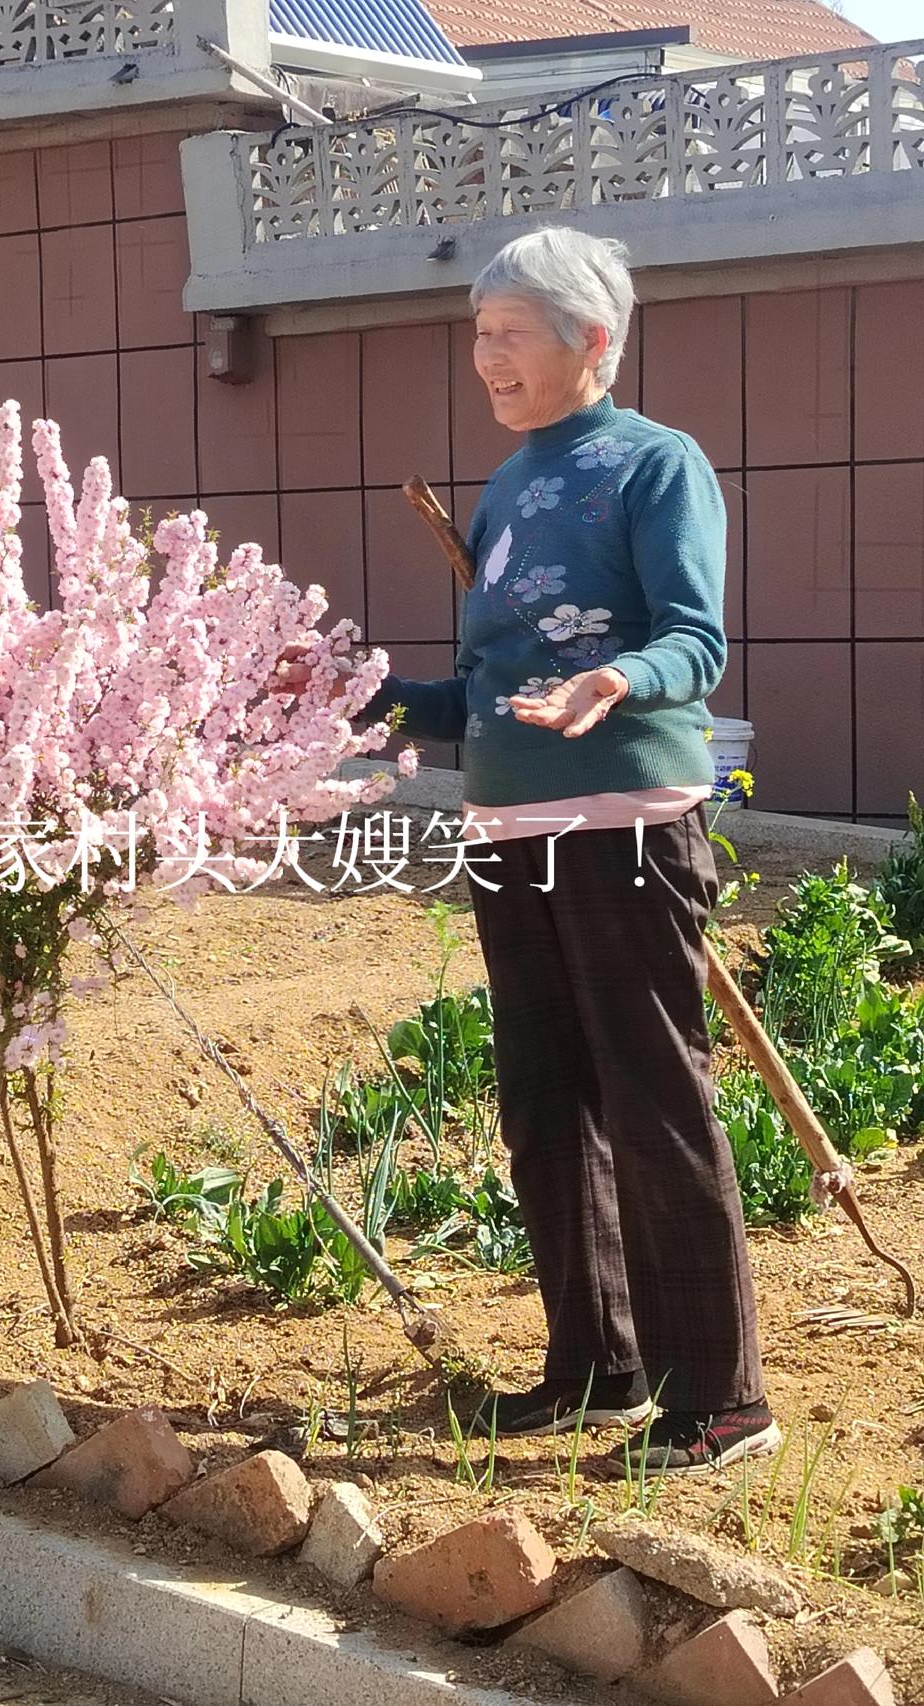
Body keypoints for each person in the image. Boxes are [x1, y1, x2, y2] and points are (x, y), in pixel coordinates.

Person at [278, 225, 778, 1477]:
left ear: (588, 339)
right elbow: (485, 692)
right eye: (477, 334)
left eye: (507, 334)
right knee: (544, 1100)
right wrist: (354, 691)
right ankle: (595, 1365)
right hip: (507, 830)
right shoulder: (507, 485)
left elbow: (694, 640)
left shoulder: (653, 464)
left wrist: (616, 679)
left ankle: (719, 1398)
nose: (483, 356)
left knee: (651, 1096)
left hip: (621, 824)